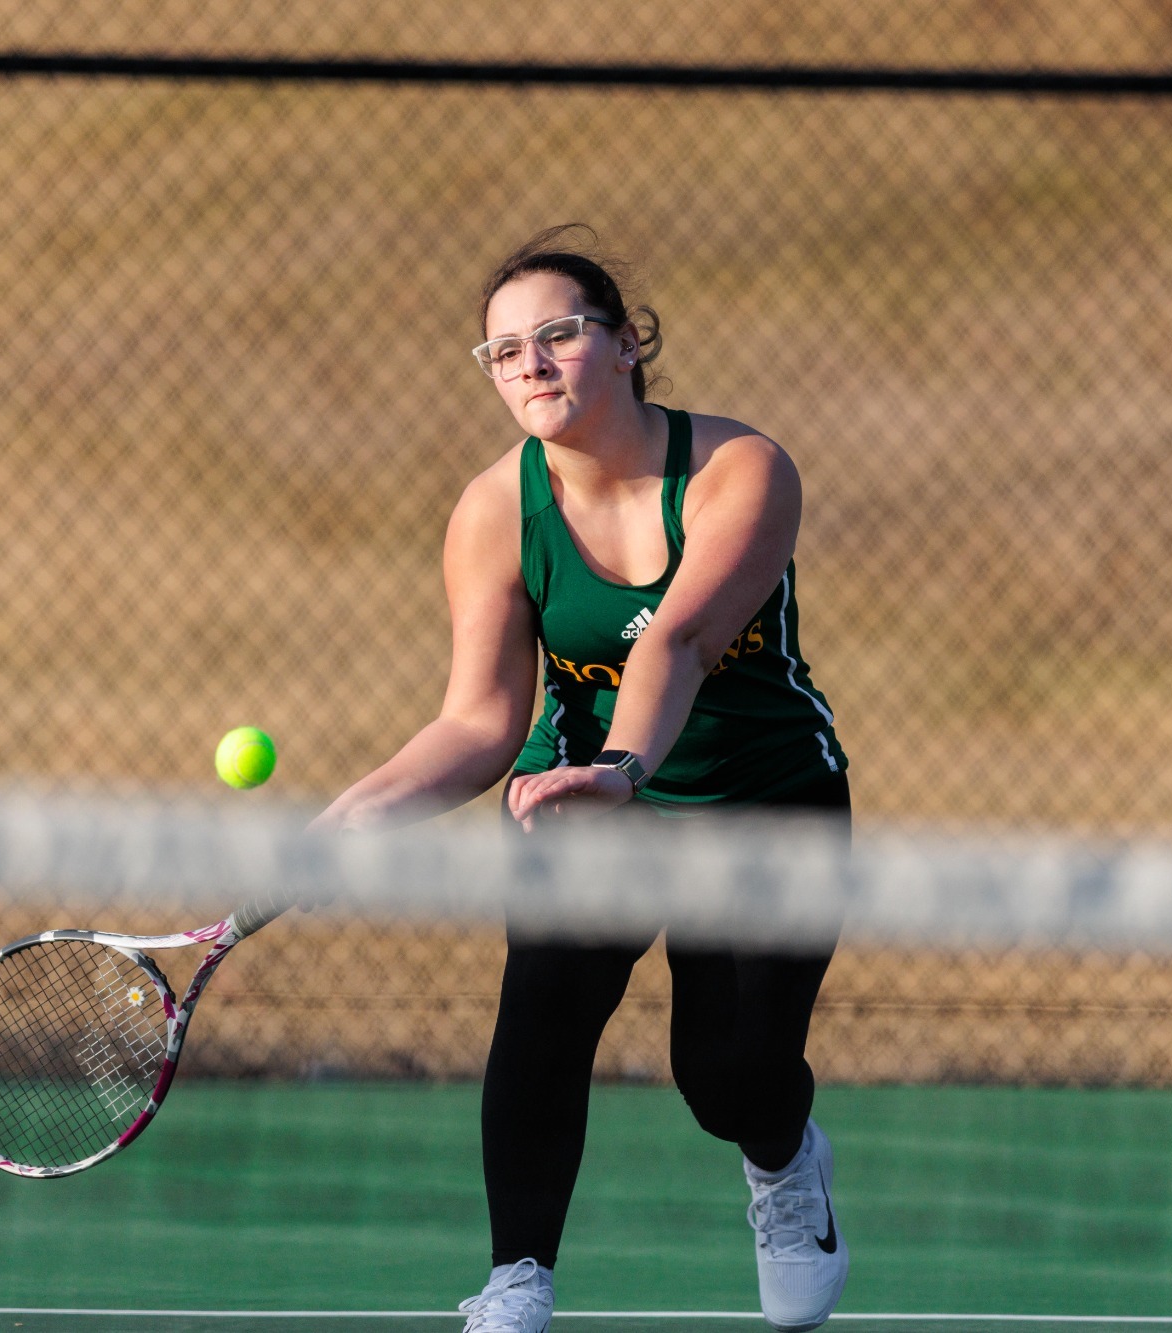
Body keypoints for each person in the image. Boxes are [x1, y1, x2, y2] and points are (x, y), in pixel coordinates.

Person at [310, 225, 850, 1333]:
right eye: (503, 353)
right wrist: (354, 817)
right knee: (544, 1015)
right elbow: (477, 721)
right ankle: (516, 1279)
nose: (530, 367)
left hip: (761, 800)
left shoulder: (739, 470)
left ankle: (784, 1159)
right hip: (581, 807)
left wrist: (623, 765)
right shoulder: (494, 511)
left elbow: (678, 645)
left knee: (727, 1074)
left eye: (556, 336)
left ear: (625, 342)